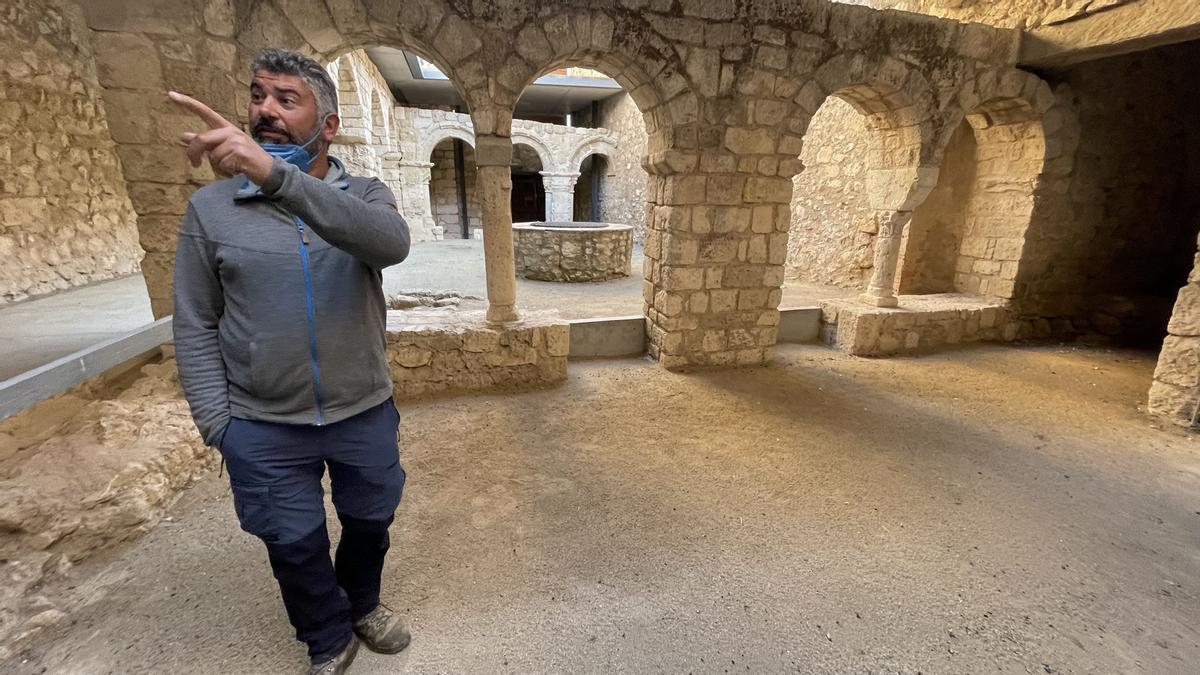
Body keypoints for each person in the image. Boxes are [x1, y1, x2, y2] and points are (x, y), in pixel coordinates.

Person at [170, 47, 411, 675]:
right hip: (261, 421)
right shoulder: (212, 211)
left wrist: (279, 179)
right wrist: (219, 426)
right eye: (258, 97)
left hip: (362, 408)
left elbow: (391, 245)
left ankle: (361, 603)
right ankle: (327, 637)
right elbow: (195, 320)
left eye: (286, 99)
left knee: (370, 519)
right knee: (293, 540)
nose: (266, 112)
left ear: (328, 125)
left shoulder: (364, 195)